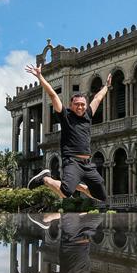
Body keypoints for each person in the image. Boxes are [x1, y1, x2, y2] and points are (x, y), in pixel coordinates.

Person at [24, 63, 109, 205]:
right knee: (65, 192)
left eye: (82, 104)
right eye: (77, 104)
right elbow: (52, 94)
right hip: (72, 161)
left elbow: (98, 99)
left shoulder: (88, 114)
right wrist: (40, 76)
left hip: (87, 164)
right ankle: (45, 178)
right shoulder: (65, 116)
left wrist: (106, 86)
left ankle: (78, 186)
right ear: (71, 105)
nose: (80, 106)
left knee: (100, 196)